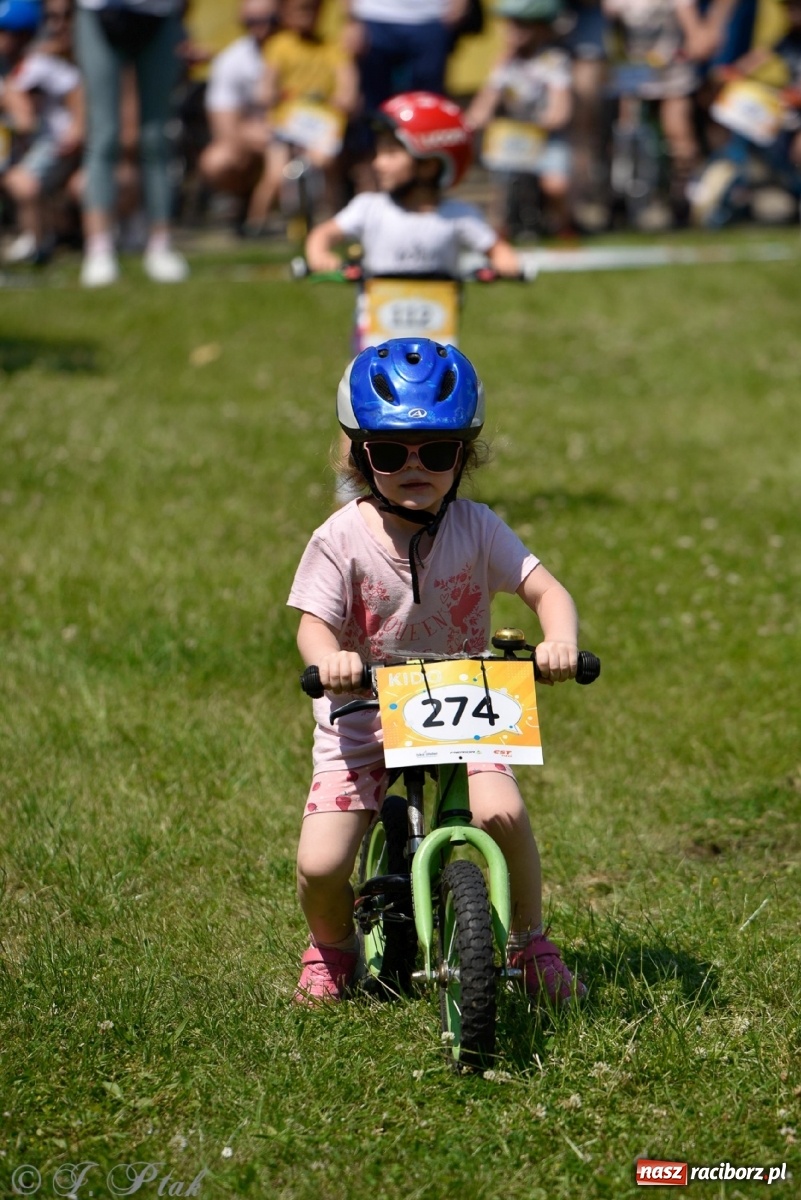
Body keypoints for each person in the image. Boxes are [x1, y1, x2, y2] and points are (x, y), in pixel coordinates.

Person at [287, 337, 588, 1006]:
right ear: (360, 456)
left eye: (438, 451)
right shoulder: (339, 538)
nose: (414, 466)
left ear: (465, 455)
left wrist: (560, 641)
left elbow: (546, 591)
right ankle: (332, 948)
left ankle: (529, 942)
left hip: (465, 702)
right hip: (361, 712)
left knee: (502, 812)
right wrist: (329, 660)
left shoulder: (478, 528)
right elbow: (312, 623)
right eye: (391, 453)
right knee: (322, 862)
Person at [305, 90, 521, 276]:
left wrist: (504, 260)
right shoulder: (368, 207)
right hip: (377, 312)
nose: (378, 164)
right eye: (378, 153)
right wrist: (320, 254)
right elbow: (323, 234)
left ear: (429, 165)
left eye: (391, 153)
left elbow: (497, 249)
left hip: (438, 312)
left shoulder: (459, 216)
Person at [75, 0, 188, 287]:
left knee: (156, 137)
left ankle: (161, 245)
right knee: (104, 136)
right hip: (97, 11)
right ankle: (99, 249)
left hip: (159, 12)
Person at [245, 0, 357, 230]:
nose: (307, 15)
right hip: (286, 124)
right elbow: (265, 88)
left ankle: (335, 225)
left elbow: (348, 85)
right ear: (286, 13)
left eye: (312, 9)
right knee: (275, 175)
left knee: (326, 166)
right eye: (300, 10)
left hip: (322, 125)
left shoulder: (332, 48)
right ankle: (255, 225)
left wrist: (344, 97)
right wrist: (270, 95)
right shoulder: (279, 45)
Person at [466, 0, 575, 236]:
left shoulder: (553, 60)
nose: (514, 31)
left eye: (523, 25)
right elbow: (484, 102)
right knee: (499, 186)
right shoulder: (505, 62)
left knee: (555, 186)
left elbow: (560, 108)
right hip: (514, 136)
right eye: (511, 24)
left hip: (545, 136)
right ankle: (498, 230)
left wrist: (546, 120)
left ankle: (563, 227)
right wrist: (475, 121)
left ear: (542, 29)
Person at [2, 0, 82, 265]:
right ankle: (35, 236)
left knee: (22, 183)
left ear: (24, 35)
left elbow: (75, 89)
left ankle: (37, 242)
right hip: (30, 144)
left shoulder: (39, 65)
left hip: (56, 141)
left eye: (7, 33)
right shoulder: (9, 70)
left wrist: (77, 127)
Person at [197, 0, 277, 231]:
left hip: (299, 133)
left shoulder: (299, 50)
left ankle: (260, 218)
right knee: (218, 160)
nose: (261, 27)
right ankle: (250, 213)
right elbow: (224, 127)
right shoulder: (232, 59)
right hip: (258, 140)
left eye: (269, 20)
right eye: (252, 21)